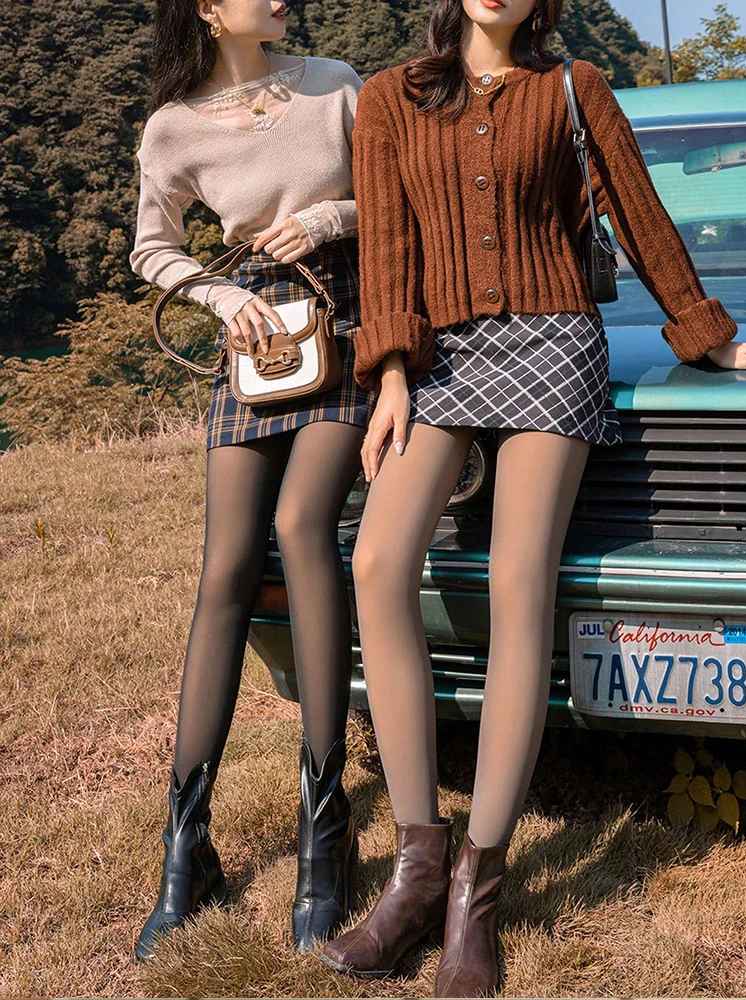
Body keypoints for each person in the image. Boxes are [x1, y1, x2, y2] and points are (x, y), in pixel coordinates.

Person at [320, 0, 746, 996]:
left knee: (520, 583)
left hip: (555, 342)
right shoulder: (390, 99)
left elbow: (641, 217)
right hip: (440, 358)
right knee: (377, 562)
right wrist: (391, 371)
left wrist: (707, 336)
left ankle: (477, 890)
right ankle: (416, 868)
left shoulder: (573, 89)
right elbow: (387, 247)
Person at [128, 0, 374, 963]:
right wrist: (220, 292)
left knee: (304, 525)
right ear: (206, 8)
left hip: (346, 315)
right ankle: (186, 847)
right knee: (225, 567)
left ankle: (326, 827)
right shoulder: (173, 125)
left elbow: (401, 198)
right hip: (256, 341)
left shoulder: (335, 85)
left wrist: (325, 218)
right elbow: (153, 246)